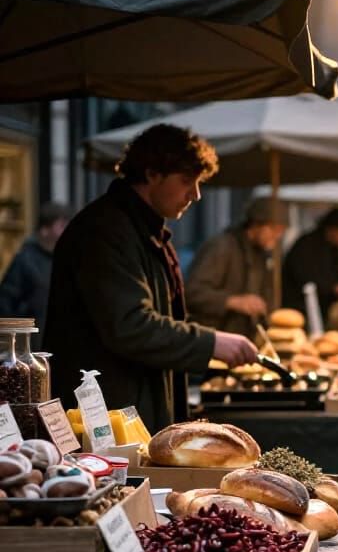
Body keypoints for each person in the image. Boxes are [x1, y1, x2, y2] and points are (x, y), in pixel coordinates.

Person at [44, 123, 258, 431]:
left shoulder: (142, 229)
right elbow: (131, 325)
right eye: (187, 181)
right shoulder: (106, 230)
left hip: (128, 411)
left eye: (199, 183)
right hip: (104, 419)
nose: (196, 195)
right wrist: (211, 343)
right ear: (151, 173)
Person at [184, 196, 287, 339]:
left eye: (281, 231)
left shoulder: (262, 254)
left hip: (243, 339)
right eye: (273, 229)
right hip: (212, 339)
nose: (277, 236)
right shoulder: (222, 247)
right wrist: (233, 301)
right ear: (256, 224)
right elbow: (192, 292)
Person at [0, 202, 70, 345]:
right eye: (61, 226)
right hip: (32, 344)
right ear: (45, 229)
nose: (67, 231)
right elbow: (6, 303)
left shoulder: (67, 259)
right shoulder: (25, 260)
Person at [281, 206, 338, 322]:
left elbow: (335, 274)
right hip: (299, 308)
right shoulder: (307, 245)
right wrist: (335, 288)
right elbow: (304, 276)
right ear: (334, 229)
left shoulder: (332, 248)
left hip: (321, 310)